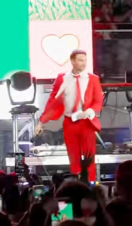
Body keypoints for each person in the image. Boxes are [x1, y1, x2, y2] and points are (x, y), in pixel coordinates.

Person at [35, 50, 103, 182]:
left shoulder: (93, 79)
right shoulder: (62, 79)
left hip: (87, 122)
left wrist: (89, 112)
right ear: (72, 61)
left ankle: (90, 187)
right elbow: (53, 102)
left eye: (85, 60)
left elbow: (98, 101)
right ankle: (76, 186)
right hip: (70, 122)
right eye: (80, 60)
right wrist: (41, 122)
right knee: (73, 158)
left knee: (89, 158)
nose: (84, 63)